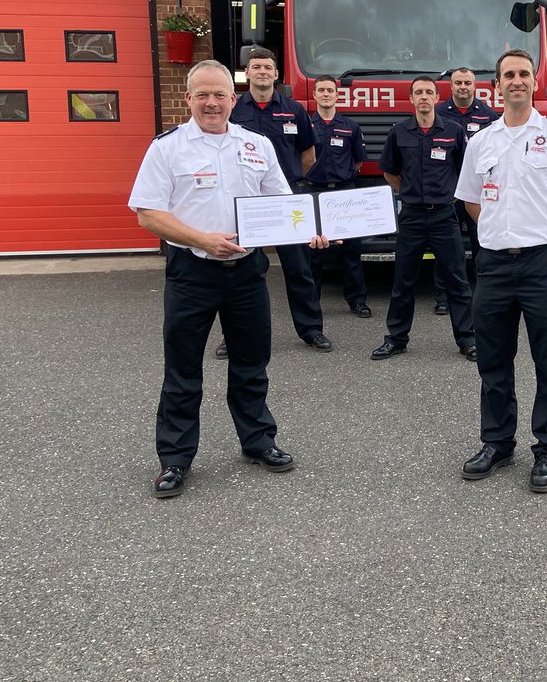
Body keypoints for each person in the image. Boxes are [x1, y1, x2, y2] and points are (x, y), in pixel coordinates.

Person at [128, 60, 327, 498]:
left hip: (248, 273)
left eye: (219, 94)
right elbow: (148, 213)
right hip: (192, 271)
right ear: (188, 99)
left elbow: (283, 204)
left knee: (252, 364)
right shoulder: (167, 148)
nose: (211, 103)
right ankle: (175, 459)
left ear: (232, 100)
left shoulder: (257, 145)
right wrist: (202, 239)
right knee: (182, 370)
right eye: (202, 94)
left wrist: (311, 229)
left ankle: (258, 441)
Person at [456, 49, 547, 494]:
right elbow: (471, 199)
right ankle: (497, 442)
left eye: (524, 74)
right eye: (508, 74)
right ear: (496, 85)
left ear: (535, 82)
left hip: (540, 265)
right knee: (493, 360)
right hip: (493, 265)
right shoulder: (481, 142)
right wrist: (498, 231)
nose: (516, 80)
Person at [225, 47, 334, 353]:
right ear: (247, 72)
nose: (262, 71)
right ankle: (233, 336)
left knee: (299, 268)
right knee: (241, 270)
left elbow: (308, 155)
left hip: (287, 199)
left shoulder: (294, 110)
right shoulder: (233, 110)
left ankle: (311, 330)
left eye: (267, 67)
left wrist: (287, 185)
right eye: (256, 66)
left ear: (276, 74)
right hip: (247, 200)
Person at [371, 76, 478, 362]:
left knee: (457, 280)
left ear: (436, 98)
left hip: (444, 216)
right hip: (412, 217)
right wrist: (409, 192)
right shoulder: (399, 132)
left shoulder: (453, 131)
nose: (424, 97)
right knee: (403, 281)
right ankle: (396, 339)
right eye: (418, 92)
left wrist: (450, 196)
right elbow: (389, 172)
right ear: (411, 98)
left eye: (429, 92)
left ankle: (468, 339)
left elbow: (465, 171)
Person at [431, 67, 499, 314]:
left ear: (474, 86)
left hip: (479, 192)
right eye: (458, 83)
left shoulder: (488, 115)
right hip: (449, 192)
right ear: (451, 86)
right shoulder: (439, 113)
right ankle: (442, 297)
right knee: (446, 247)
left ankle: (484, 293)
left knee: (482, 242)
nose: (463, 87)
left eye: (467, 83)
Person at [307, 74, 370, 318]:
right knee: (313, 252)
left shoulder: (350, 127)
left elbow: (357, 162)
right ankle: (312, 303)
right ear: (314, 94)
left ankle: (357, 301)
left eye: (330, 90)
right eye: (321, 90)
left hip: (344, 192)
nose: (326, 94)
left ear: (337, 95)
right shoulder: (306, 125)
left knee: (351, 251)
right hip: (314, 191)